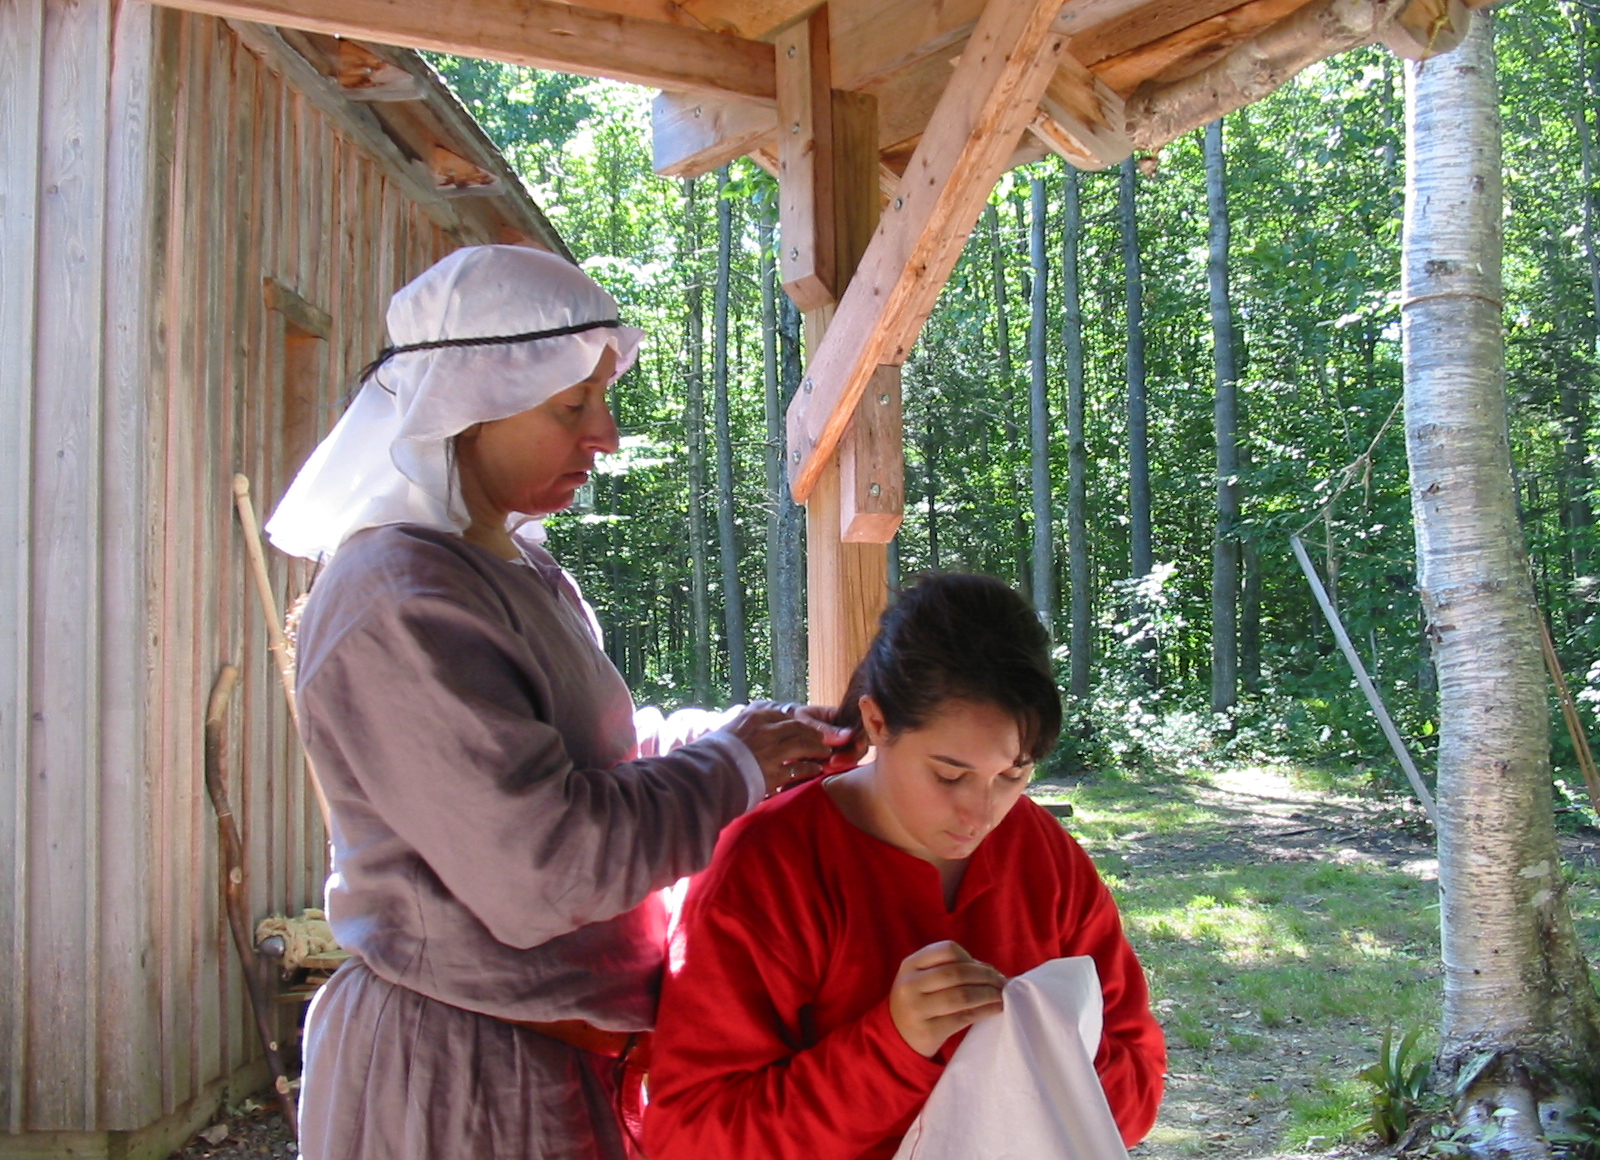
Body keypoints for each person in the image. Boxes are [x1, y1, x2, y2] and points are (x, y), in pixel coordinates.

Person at [266, 245, 847, 1160]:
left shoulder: (518, 564)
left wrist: (741, 737)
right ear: (468, 411)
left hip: (549, 1060)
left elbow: (593, 761)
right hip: (456, 1077)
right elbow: (542, 866)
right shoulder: (397, 596)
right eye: (570, 407)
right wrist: (734, 769)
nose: (605, 434)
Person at [642, 572, 1167, 1160]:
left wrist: (1045, 1036)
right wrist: (894, 1046)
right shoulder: (768, 869)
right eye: (949, 774)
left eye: (1014, 774)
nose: (982, 812)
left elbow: (1139, 1092)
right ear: (877, 723)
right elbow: (691, 1138)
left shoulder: (1040, 852)